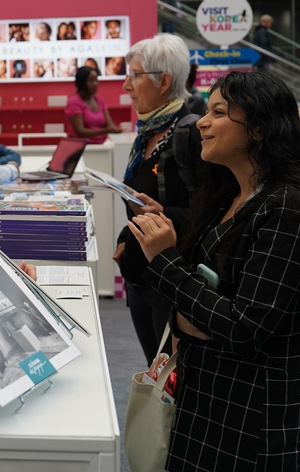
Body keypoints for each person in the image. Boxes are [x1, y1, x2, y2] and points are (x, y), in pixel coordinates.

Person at [127, 71, 300, 472]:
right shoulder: (232, 197)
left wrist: (167, 263)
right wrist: (194, 314)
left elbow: (242, 330)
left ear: (258, 129)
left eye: (219, 112)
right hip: (206, 408)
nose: (201, 120)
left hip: (252, 427)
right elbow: (209, 309)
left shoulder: (289, 209)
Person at [114, 34, 198, 364]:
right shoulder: (147, 132)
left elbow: (214, 213)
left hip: (172, 280)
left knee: (174, 379)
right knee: (155, 374)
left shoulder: (192, 133)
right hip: (141, 276)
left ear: (164, 81)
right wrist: (127, 236)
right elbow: (141, 202)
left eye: (135, 75)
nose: (126, 85)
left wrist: (167, 215)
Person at [64, 66, 122, 144]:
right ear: (82, 83)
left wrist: (116, 129)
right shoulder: (74, 102)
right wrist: (106, 130)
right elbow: (80, 131)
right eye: (91, 81)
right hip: (81, 147)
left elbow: (110, 126)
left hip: (100, 146)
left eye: (96, 80)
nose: (95, 84)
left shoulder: (100, 101)